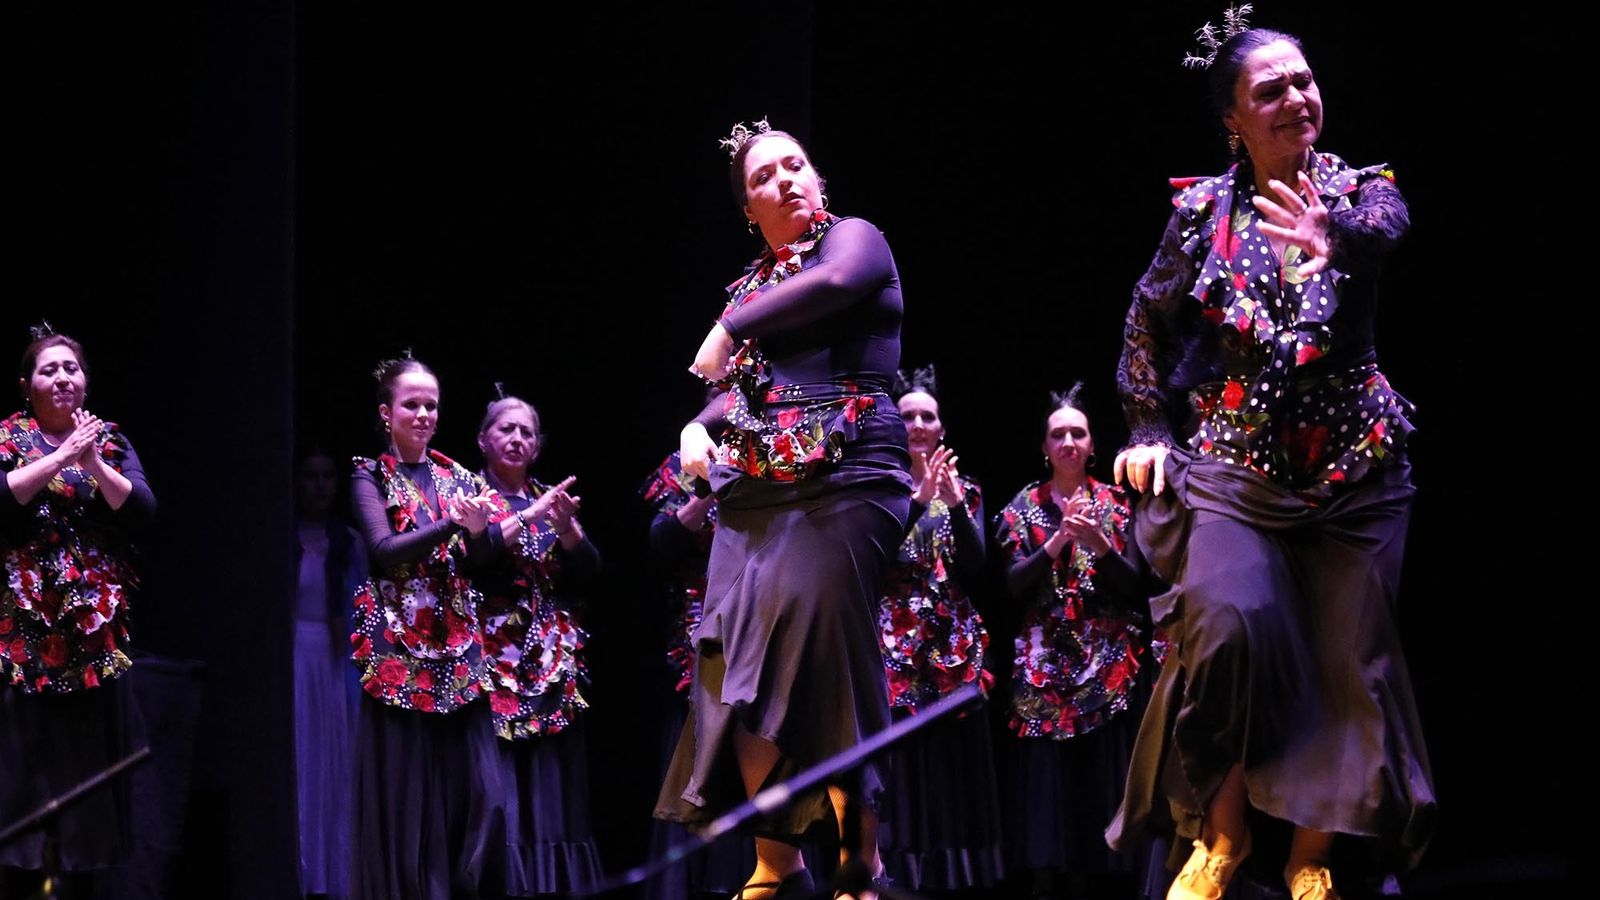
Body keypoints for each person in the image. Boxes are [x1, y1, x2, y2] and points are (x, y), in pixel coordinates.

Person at [1107, 21, 1435, 900]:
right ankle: (1222, 839)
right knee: (1225, 630)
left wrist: (1339, 238)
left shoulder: (1364, 192)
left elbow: (1388, 231)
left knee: (1346, 661)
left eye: (1304, 81)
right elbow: (1147, 318)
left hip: (1353, 474)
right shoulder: (1200, 216)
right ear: (1234, 122)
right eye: (1271, 91)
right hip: (1236, 472)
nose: (1297, 99)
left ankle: (1310, 858)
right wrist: (1146, 427)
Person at [655, 119, 913, 899]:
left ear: (819, 180)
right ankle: (775, 864)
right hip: (760, 483)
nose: (787, 181)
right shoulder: (752, 287)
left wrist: (729, 326)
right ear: (748, 208)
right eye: (766, 177)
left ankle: (858, 864)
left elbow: (832, 290)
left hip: (849, 472)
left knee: (824, 653)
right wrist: (697, 427)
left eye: (797, 165)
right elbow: (740, 391)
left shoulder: (855, 243)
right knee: (736, 658)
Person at [0, 326, 155, 897]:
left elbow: (141, 509)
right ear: (26, 386)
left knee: (86, 801)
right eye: (49, 370)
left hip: (91, 642)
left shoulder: (107, 439)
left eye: (71, 368)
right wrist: (59, 457)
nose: (63, 378)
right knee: (20, 794)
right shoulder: (6, 439)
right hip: (21, 640)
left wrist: (90, 463)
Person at [347, 356, 508, 900]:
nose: (422, 414)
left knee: (483, 796)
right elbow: (384, 551)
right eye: (411, 404)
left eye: (431, 405)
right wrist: (453, 525)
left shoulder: (457, 477)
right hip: (399, 655)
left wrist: (482, 532)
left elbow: (484, 560)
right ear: (386, 412)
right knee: (410, 800)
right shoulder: (369, 476)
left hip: (458, 652)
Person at [994, 387, 1155, 899]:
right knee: (1048, 783)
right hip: (1042, 666)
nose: (1068, 441)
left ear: (1092, 445)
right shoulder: (1023, 507)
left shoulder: (1116, 503)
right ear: (1044, 447)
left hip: (1104, 665)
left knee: (1100, 774)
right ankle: (1046, 877)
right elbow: (1010, 586)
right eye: (1058, 434)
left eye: (1077, 433)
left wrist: (1101, 546)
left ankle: (1101, 875)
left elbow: (1136, 587)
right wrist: (1059, 541)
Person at [875, 368, 1004, 892]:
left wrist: (948, 501)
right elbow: (871, 559)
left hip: (951, 650)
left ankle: (954, 879)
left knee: (951, 768)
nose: (919, 424)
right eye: (908, 416)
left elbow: (978, 569)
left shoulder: (965, 490)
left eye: (928, 416)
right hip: (891, 650)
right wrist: (915, 497)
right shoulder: (878, 488)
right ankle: (896, 874)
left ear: (942, 427)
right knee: (902, 768)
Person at [473, 392, 602, 896]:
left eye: (527, 432)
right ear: (483, 440)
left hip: (549, 658)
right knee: (499, 786)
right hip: (489, 659)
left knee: (551, 786)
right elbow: (474, 559)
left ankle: (551, 886)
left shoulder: (551, 497)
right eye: (506, 429)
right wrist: (528, 517)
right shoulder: (468, 495)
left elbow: (589, 571)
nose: (517, 439)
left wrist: (566, 528)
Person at [293, 446, 366, 899]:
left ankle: (335, 874)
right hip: (296, 658)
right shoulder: (283, 537)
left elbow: (360, 607)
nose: (320, 485)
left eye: (328, 476)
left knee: (335, 767)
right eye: (310, 475)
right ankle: (300, 871)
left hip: (336, 659)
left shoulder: (350, 541)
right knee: (302, 762)